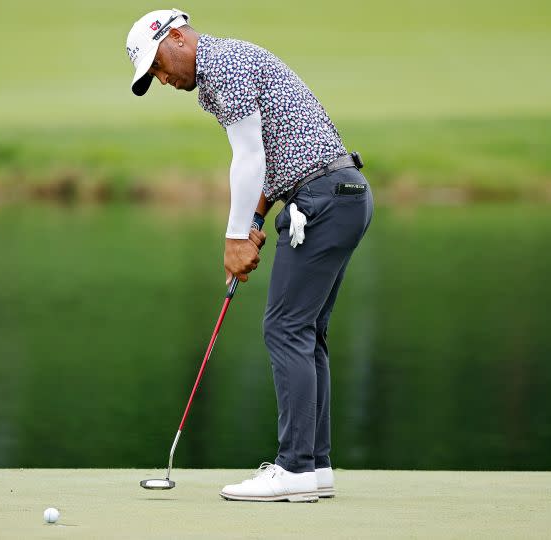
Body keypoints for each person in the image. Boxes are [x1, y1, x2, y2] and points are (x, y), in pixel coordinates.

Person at [126, 8, 373, 502]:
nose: (162, 78)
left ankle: (294, 469)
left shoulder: (223, 65)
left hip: (321, 200)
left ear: (176, 37)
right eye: (152, 74)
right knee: (306, 331)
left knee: (284, 328)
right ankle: (315, 466)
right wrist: (256, 221)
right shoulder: (221, 73)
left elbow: (249, 157)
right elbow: (266, 156)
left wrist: (236, 236)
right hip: (341, 194)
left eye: (158, 64)